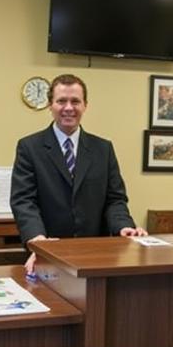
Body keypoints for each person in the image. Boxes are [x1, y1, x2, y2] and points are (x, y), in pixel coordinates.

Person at [10, 73, 146, 274]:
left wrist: (123, 226)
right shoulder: (30, 147)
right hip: (48, 254)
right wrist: (37, 240)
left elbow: (115, 199)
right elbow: (23, 200)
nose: (68, 108)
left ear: (85, 106)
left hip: (95, 257)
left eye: (75, 101)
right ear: (50, 105)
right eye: (61, 101)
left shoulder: (103, 149)